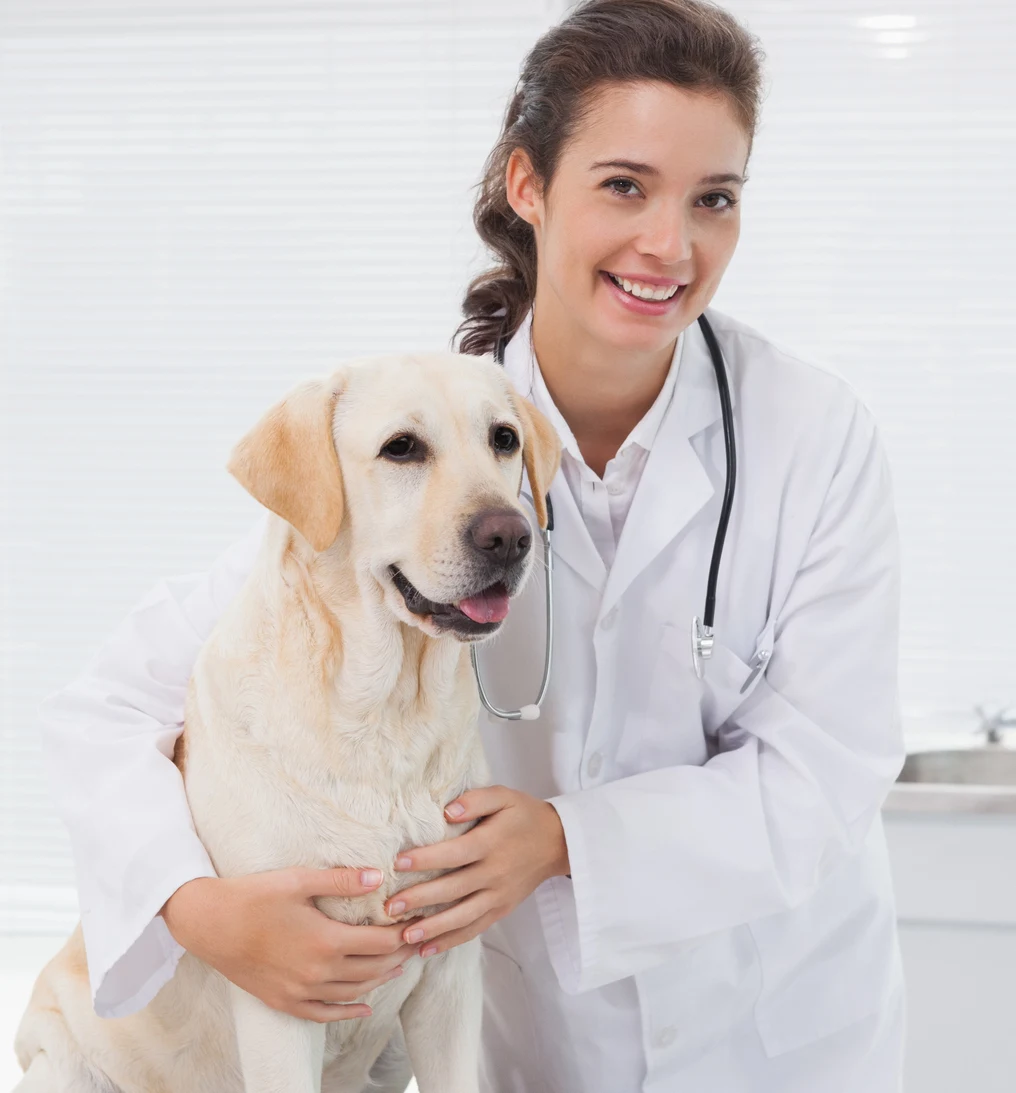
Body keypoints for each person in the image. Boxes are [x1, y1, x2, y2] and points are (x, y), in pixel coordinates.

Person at [36, 1, 907, 1090]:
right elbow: (108, 710)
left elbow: (826, 771)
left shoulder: (812, 438)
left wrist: (562, 839)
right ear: (527, 185)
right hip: (534, 1046)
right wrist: (202, 911)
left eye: (713, 199)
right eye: (623, 185)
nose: (668, 246)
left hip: (781, 1030)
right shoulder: (396, 440)